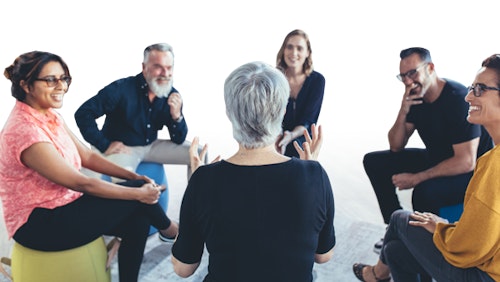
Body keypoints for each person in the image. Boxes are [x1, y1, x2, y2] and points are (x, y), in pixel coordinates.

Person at [0, 51, 178, 282]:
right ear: (26, 85)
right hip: (39, 224)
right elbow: (81, 181)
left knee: (139, 214)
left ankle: (164, 236)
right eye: (51, 80)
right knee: (137, 201)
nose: (61, 86)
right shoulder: (25, 130)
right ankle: (172, 231)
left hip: (63, 206)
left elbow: (86, 156)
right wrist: (137, 192)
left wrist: (132, 176)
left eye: (64, 78)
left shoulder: (48, 116)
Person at [170, 61, 335, 282]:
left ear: (229, 113)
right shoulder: (315, 176)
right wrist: (310, 173)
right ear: (283, 111)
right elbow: (322, 256)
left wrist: (195, 191)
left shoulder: (203, 180)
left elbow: (183, 268)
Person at [352, 54, 500, 282]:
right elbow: (395, 145)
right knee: (395, 252)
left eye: (480, 89)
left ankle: (379, 271)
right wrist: (403, 109)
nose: (470, 96)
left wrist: (443, 229)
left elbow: (470, 249)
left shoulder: (493, 164)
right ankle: (398, 243)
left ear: (430, 68)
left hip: (485, 274)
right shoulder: (415, 98)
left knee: (401, 218)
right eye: (403, 76)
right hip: (484, 257)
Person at [74, 42, 202, 182]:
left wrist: (176, 116)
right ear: (144, 68)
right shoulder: (121, 89)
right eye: (158, 67)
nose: (165, 74)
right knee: (127, 186)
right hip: (124, 148)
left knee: (198, 154)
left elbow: (178, 139)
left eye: (169, 68)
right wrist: (104, 144)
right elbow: (83, 113)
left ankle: (197, 201)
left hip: (151, 146)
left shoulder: (171, 94)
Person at [275, 29, 326, 158]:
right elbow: (270, 114)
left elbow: (308, 120)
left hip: (302, 137)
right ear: (283, 50)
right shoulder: (274, 77)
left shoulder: (317, 80)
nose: (294, 53)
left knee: (298, 149)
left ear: (308, 52)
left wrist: (290, 136)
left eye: (299, 48)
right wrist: (280, 136)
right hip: (276, 133)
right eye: (289, 47)